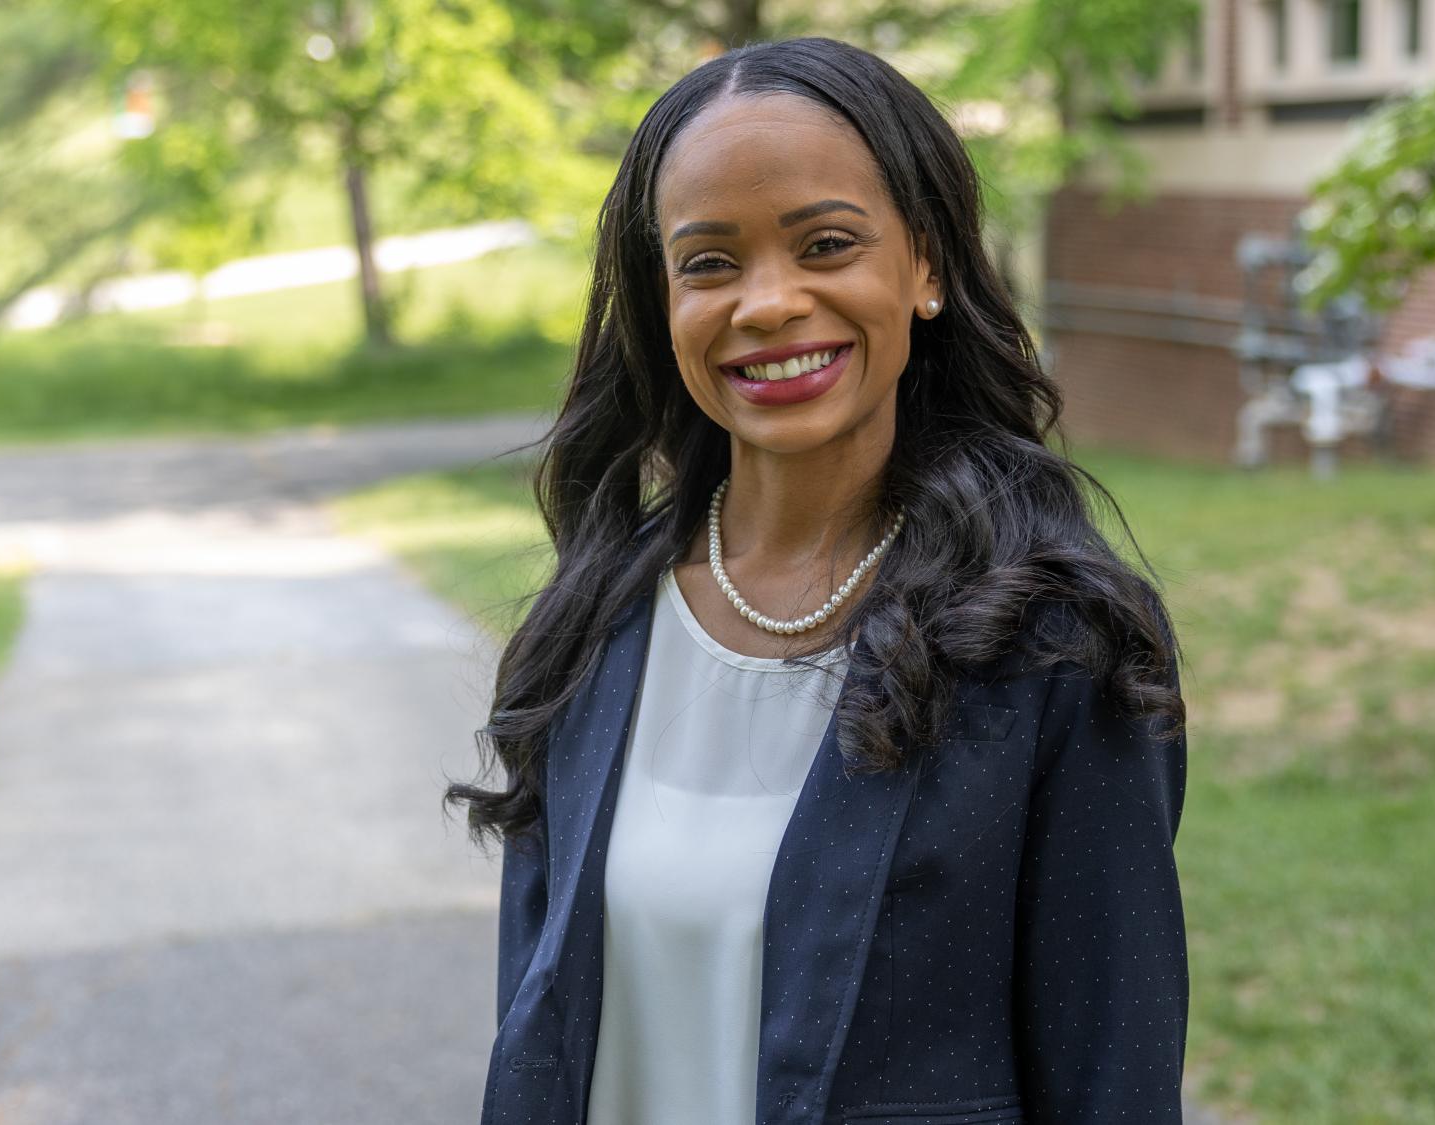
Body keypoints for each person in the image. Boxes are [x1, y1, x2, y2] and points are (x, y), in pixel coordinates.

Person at [448, 35, 1190, 1125]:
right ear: (663, 301)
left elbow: (1109, 1080)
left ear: (925, 265)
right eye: (709, 262)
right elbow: (538, 1033)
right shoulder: (593, 625)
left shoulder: (1053, 643)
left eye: (826, 244)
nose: (767, 304)